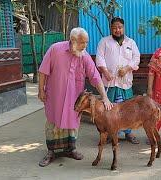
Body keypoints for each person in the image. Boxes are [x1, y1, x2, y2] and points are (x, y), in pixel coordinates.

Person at [38, 27, 113, 167]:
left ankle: (70, 149)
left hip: (74, 99)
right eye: (82, 42)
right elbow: (43, 71)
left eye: (86, 42)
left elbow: (95, 77)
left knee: (72, 123)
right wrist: (40, 90)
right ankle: (51, 152)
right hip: (55, 96)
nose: (85, 46)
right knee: (53, 122)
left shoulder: (84, 56)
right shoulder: (55, 49)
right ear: (72, 41)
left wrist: (105, 97)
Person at [95, 17, 141, 144]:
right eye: (115, 27)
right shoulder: (104, 42)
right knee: (109, 108)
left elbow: (136, 58)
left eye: (120, 27)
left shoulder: (130, 43)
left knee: (127, 108)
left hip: (125, 82)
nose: (117, 30)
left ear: (124, 28)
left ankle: (128, 133)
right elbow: (99, 58)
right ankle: (111, 133)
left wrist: (127, 68)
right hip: (110, 82)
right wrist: (105, 71)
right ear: (111, 28)